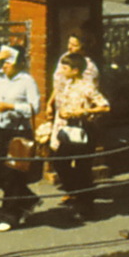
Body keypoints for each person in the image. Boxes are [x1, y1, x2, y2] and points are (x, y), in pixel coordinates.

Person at [45, 51, 111, 204]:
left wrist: (85, 111)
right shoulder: (68, 84)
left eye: (65, 69)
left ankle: (85, 203)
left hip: (85, 129)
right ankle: (73, 190)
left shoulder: (87, 86)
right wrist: (63, 112)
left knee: (82, 167)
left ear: (75, 70)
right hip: (69, 127)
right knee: (59, 161)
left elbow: (105, 106)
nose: (61, 72)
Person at [0, 50, 39, 230]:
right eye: (3, 64)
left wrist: (11, 106)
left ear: (17, 65)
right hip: (3, 129)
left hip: (19, 131)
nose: (3, 67)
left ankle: (11, 215)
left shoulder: (26, 81)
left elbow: (35, 107)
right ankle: (28, 198)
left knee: (13, 174)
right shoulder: (1, 79)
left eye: (7, 64)